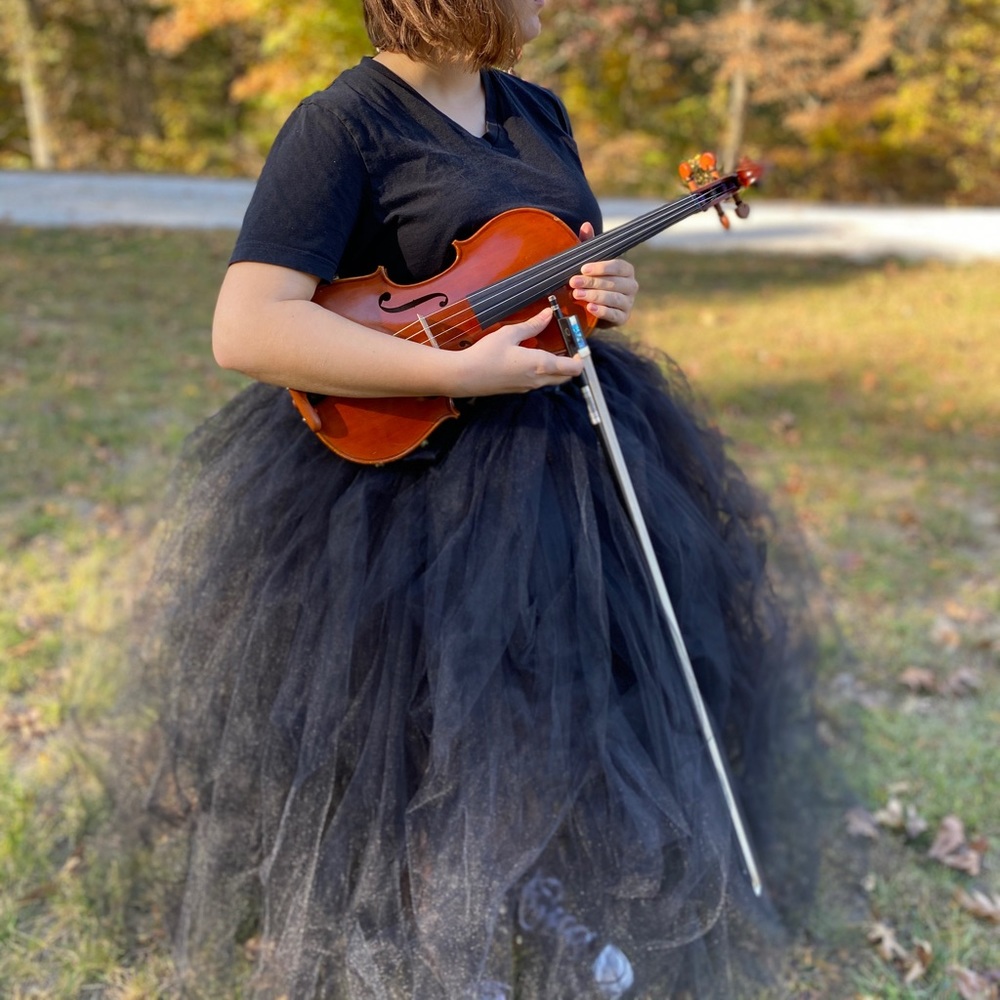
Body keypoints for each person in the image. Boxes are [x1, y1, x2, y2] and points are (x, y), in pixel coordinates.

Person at [132, 0, 828, 996]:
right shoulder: (342, 125)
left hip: (557, 453)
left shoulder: (534, 111)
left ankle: (533, 885)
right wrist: (457, 375)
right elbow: (247, 329)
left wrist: (602, 295)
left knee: (565, 691)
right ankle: (443, 935)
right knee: (443, 712)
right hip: (409, 474)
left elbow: (559, 271)